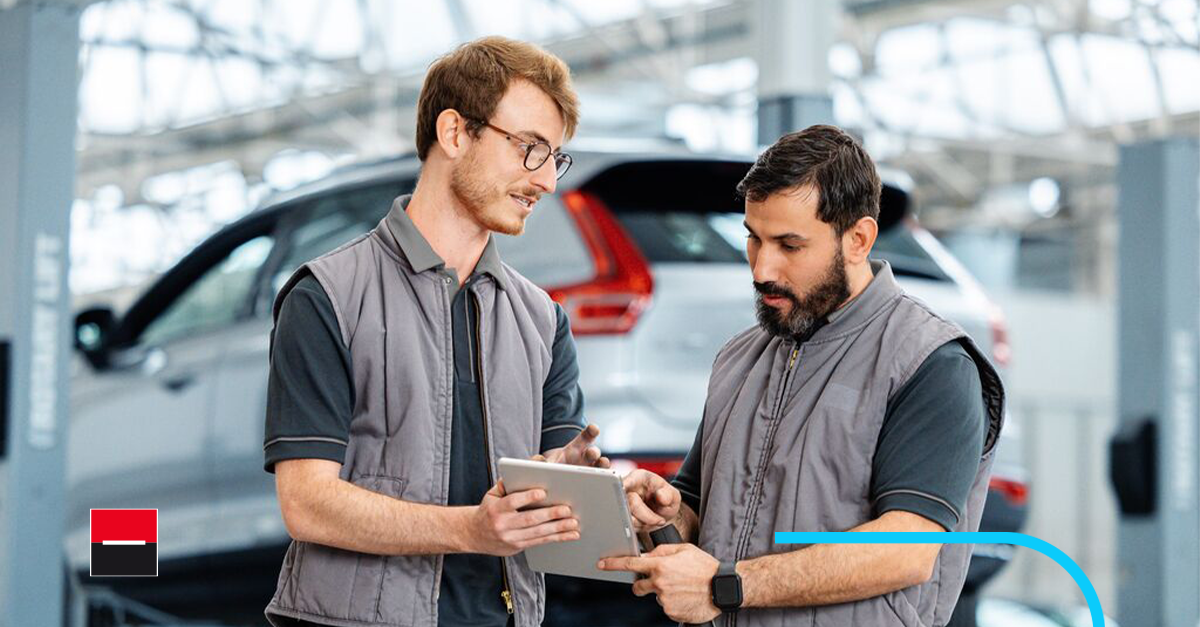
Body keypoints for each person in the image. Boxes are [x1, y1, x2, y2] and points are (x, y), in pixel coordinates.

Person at [261, 36, 609, 627]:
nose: (547, 179)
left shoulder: (542, 320)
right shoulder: (327, 296)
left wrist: (576, 483)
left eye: (556, 157)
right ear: (455, 133)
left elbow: (552, 515)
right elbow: (308, 505)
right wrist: (470, 529)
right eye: (530, 148)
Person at [599, 125, 1005, 626]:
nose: (761, 268)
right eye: (753, 239)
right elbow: (703, 520)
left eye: (789, 245)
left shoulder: (931, 362)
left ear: (858, 239)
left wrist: (726, 585)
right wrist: (665, 515)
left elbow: (907, 550)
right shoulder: (739, 359)